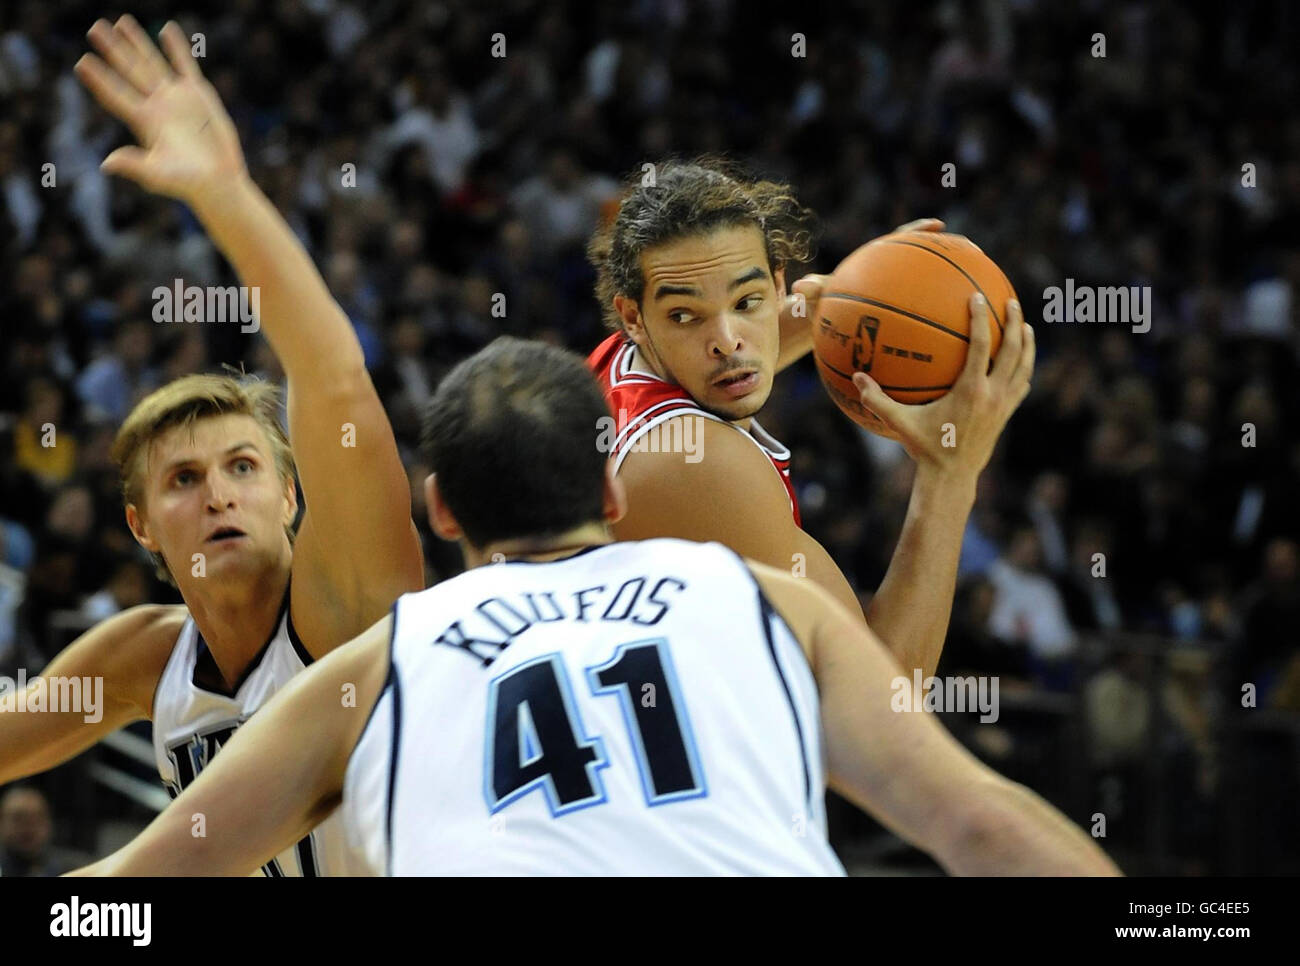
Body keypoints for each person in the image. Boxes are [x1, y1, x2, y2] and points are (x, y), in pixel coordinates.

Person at [74, 339, 1117, 876]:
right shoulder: (757, 600)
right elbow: (977, 825)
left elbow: (129, 889)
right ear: (611, 497)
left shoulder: (381, 665)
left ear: (441, 512)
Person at [0, 17, 423, 876]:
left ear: (291, 497)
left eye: (243, 468)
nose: (220, 495)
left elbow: (334, 378)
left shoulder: (343, 607)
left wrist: (225, 194)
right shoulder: (149, 656)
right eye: (185, 480)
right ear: (142, 525)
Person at [586, 160, 1035, 678]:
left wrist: (864, 292)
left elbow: (731, 352)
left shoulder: (621, 362)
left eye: (747, 300)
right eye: (686, 315)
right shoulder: (701, 467)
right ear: (633, 317)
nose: (728, 340)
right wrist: (949, 474)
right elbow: (882, 703)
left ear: (780, 283)